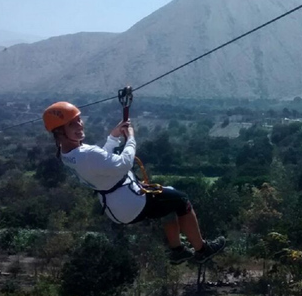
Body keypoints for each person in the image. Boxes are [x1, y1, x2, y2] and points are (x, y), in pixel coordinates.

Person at [42, 101, 225, 265]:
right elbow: (123, 164)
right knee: (181, 200)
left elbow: (100, 163)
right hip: (130, 202)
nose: (79, 125)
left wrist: (113, 138)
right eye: (72, 124)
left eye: (79, 120)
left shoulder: (67, 154)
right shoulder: (86, 154)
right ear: (59, 132)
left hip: (116, 206)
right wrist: (130, 138)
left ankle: (177, 250)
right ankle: (203, 250)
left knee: (168, 199)